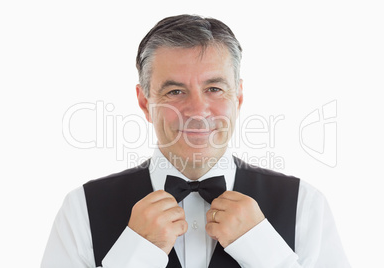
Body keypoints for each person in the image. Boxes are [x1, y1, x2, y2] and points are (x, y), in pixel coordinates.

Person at [41, 14, 351, 268]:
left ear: (238, 96)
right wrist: (134, 255)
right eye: (175, 92)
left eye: (214, 89)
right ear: (145, 102)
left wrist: (265, 252)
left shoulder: (306, 205)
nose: (198, 111)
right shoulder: (81, 209)